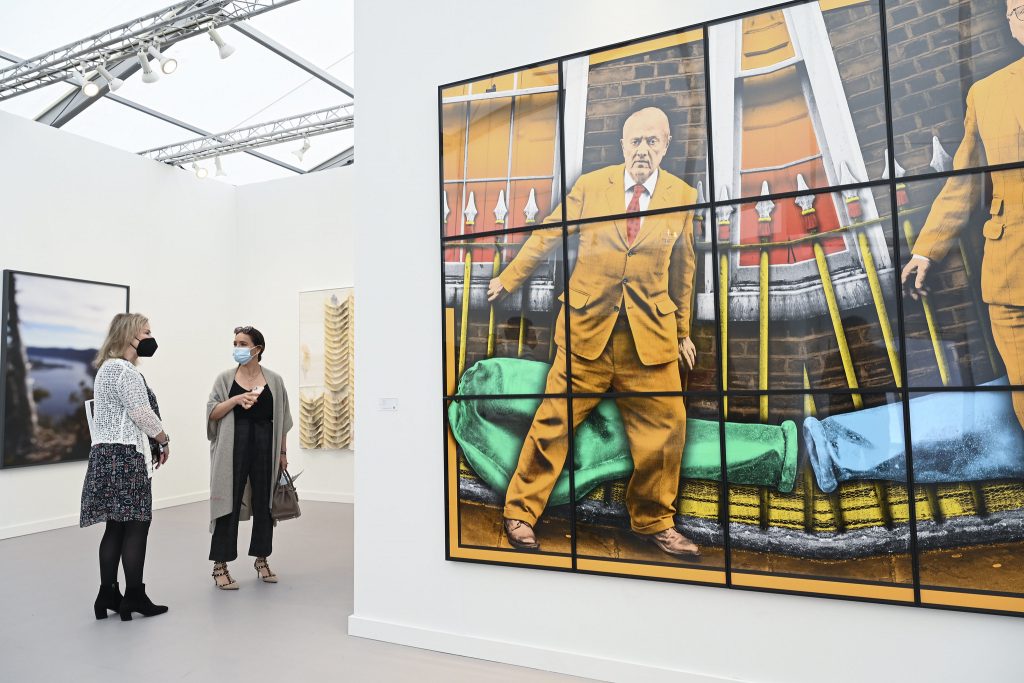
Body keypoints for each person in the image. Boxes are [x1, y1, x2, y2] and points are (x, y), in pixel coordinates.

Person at [487, 106, 701, 557]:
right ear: (623, 145)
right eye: (635, 141)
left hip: (650, 338)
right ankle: (520, 512)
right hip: (586, 333)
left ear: (666, 145)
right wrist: (509, 277)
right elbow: (548, 233)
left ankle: (654, 521)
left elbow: (684, 271)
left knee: (667, 428)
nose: (643, 150)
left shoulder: (682, 196)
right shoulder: (590, 187)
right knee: (553, 423)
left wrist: (682, 331)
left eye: (652, 141)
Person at [902, 1, 1024, 427]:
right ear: (1010, 26)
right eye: (1018, 11)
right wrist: (927, 250)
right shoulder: (986, 94)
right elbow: (965, 182)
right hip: (1009, 275)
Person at [80, 313, 170, 621]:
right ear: (129, 335)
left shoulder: (106, 368)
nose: (150, 338)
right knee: (136, 526)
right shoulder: (124, 371)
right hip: (127, 457)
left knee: (115, 526)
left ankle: (107, 594)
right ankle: (134, 597)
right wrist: (163, 439)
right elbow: (141, 414)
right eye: (146, 332)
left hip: (105, 455)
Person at [206, 326, 293, 589]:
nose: (237, 348)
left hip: (265, 446)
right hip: (233, 446)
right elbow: (212, 413)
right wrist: (236, 400)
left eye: (243, 344)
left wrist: (282, 453)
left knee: (265, 504)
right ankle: (220, 566)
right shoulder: (225, 379)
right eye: (235, 343)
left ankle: (262, 559)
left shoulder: (274, 380)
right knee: (228, 503)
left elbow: (282, 420)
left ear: (258, 348)